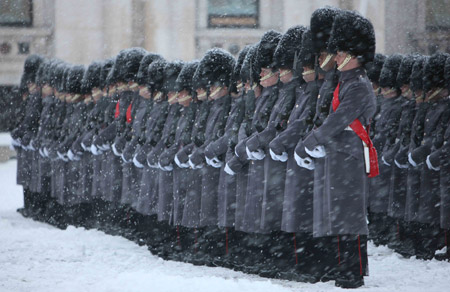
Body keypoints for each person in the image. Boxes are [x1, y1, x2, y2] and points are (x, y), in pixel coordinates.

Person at [301, 10, 376, 288]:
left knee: (350, 217)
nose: (336, 56)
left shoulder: (357, 85)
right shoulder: (344, 82)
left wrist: (313, 139)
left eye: (341, 51)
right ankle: (340, 267)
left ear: (353, 54)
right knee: (336, 215)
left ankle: (353, 271)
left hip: (349, 156)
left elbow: (339, 119)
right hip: (337, 155)